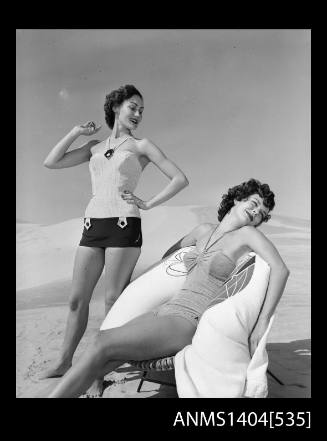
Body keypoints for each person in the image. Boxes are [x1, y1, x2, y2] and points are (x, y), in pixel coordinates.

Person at [46, 178, 290, 398]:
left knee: (102, 342)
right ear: (237, 198)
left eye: (262, 213)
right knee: (102, 354)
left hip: (188, 320)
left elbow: (281, 270)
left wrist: (261, 323)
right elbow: (169, 257)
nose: (256, 212)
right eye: (254, 203)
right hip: (166, 311)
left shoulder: (247, 235)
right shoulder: (203, 230)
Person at [41, 84, 189, 397]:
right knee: (76, 300)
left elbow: (180, 179)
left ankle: (98, 370)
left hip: (124, 224)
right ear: (116, 107)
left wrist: (148, 203)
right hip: (92, 224)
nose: (137, 114)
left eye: (141, 110)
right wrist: (75, 132)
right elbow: (51, 162)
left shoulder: (142, 145)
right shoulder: (94, 147)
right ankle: (64, 361)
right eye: (133, 107)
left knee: (113, 301)